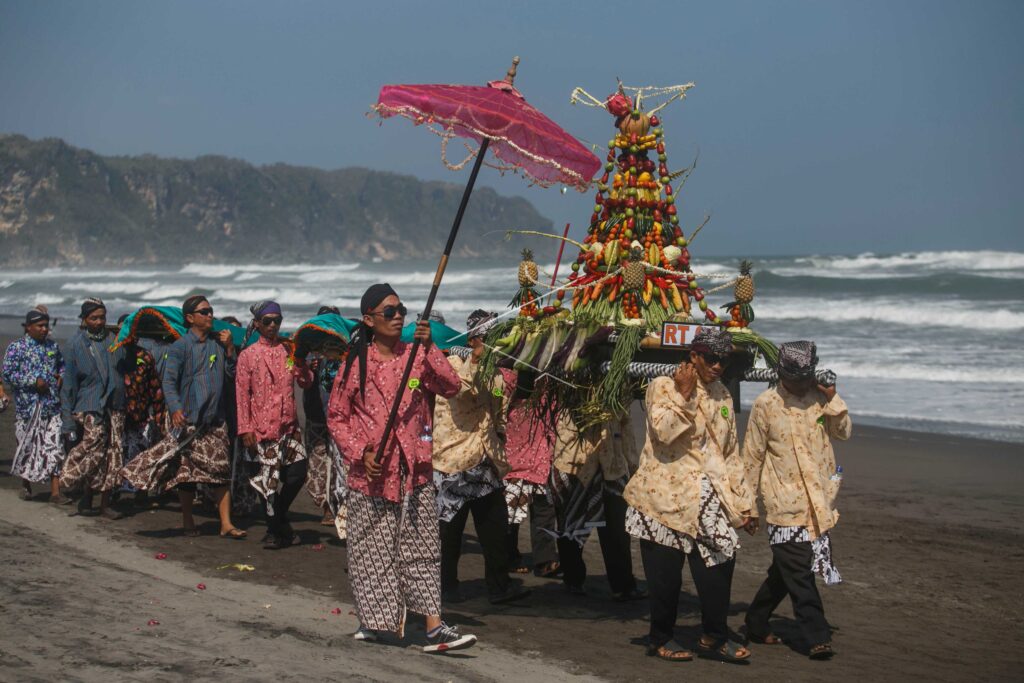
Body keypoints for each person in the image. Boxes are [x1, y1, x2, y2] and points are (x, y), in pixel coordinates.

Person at [327, 284, 476, 653]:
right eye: (389, 312)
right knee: (371, 552)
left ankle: (434, 627)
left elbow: (451, 386)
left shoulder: (416, 356)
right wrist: (362, 453)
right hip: (372, 476)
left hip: (415, 473)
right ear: (369, 319)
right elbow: (337, 417)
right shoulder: (354, 364)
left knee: (422, 548)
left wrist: (429, 348)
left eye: (401, 310)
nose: (398, 317)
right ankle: (376, 621)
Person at [623, 327, 756, 663]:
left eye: (724, 360)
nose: (718, 366)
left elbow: (730, 454)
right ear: (694, 356)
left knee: (722, 558)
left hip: (708, 494)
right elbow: (664, 434)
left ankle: (713, 636)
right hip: (663, 495)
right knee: (665, 576)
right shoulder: (663, 385)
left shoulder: (724, 395)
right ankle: (661, 638)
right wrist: (684, 395)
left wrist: (744, 502)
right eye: (711, 358)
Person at [742, 341, 851, 660]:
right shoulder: (766, 404)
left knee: (784, 571)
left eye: (807, 377)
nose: (802, 384)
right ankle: (816, 634)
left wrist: (833, 398)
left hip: (818, 501)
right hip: (782, 502)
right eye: (796, 378)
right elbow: (751, 456)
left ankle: (756, 622)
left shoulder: (821, 398)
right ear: (781, 374)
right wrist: (747, 506)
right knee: (800, 571)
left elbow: (843, 432)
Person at [121, 295, 246, 539]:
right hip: (187, 420)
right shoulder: (179, 347)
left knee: (221, 471)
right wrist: (176, 407)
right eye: (204, 312)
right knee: (185, 475)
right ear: (190, 318)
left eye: (210, 311)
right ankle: (188, 521)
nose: (210, 316)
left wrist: (231, 349)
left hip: (214, 421)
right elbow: (168, 381)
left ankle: (226, 524)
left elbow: (232, 374)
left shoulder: (218, 345)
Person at [432, 310, 528, 605]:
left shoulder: (496, 372)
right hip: (453, 461)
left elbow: (499, 412)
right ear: (474, 339)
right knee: (449, 532)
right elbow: (462, 390)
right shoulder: (452, 362)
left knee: (495, 530)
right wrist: (475, 359)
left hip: (484, 461)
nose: (494, 346)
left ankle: (499, 585)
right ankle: (445, 587)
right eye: (489, 340)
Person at [236, 300, 313, 550]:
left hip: (289, 428)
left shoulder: (289, 351)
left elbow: (305, 382)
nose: (272, 325)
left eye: (276, 321)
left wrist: (301, 364)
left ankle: (277, 516)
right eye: (267, 321)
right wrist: (245, 428)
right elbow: (241, 394)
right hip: (261, 428)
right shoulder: (248, 355)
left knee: (298, 474)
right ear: (257, 323)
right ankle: (276, 531)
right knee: (267, 483)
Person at [550, 413, 644, 600]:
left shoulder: (620, 389)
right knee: (571, 524)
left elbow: (626, 421)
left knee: (617, 527)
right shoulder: (570, 386)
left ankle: (623, 584)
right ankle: (573, 578)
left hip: (611, 463)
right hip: (575, 459)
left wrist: (633, 464)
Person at [60, 298, 127, 519]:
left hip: (115, 407)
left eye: (102, 317)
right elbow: (68, 385)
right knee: (94, 451)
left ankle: (104, 503)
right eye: (93, 318)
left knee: (112, 456)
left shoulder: (114, 341)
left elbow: (126, 368)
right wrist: (67, 420)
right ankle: (73, 483)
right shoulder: (74, 345)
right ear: (84, 319)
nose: (99, 322)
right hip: (89, 406)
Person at [2, 308, 67, 503]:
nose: (44, 329)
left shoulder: (53, 347)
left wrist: (60, 378)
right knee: (27, 446)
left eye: (46, 325)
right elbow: (7, 374)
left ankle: (55, 492)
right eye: (39, 325)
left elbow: (62, 367)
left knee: (55, 446)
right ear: (28, 327)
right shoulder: (17, 348)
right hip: (27, 408)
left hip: (51, 406)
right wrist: (33, 381)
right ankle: (26, 485)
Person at [501, 371, 560, 579]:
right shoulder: (511, 372)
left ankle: (545, 560)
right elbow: (502, 392)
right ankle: (508, 558)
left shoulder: (551, 377)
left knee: (544, 510)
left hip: (542, 454)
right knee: (511, 512)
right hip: (516, 453)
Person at [304, 305, 345, 530]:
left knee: (340, 464)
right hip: (316, 416)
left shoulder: (346, 351)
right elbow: (302, 379)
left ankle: (338, 508)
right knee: (319, 464)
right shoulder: (308, 351)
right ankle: (326, 507)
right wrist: (307, 367)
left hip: (342, 420)